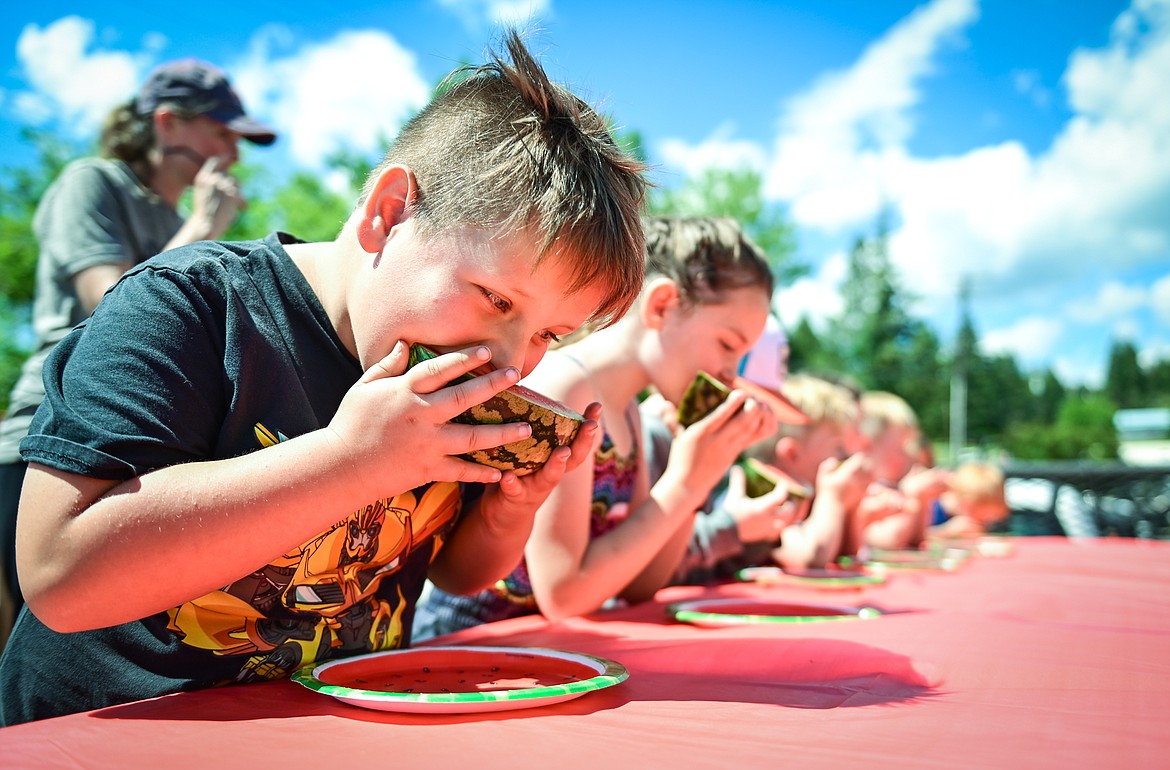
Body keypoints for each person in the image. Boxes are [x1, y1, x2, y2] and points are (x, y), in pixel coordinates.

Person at [0, 30, 647, 726]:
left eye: (549, 333)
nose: (515, 360)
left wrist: (509, 508)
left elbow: (455, 574)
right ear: (388, 213)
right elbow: (59, 576)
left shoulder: (440, 386)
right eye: (496, 300)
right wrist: (349, 463)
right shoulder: (190, 307)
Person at [0, 58, 277, 627]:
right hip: (50, 434)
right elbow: (112, 309)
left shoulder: (171, 215)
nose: (232, 154)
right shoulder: (93, 183)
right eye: (221, 132)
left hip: (141, 433)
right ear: (168, 123)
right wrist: (202, 229)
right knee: (39, 627)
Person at [413, 216, 777, 639]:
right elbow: (564, 595)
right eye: (727, 346)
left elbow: (644, 582)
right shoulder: (568, 390)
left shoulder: (632, 417)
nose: (731, 374)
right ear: (661, 305)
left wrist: (698, 480)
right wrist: (683, 482)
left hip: (536, 652)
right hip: (464, 643)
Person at [854, 390, 950, 551]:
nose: (910, 456)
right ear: (867, 445)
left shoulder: (890, 488)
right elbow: (887, 540)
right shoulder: (863, 491)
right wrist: (911, 497)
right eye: (901, 447)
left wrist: (923, 499)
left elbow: (916, 539)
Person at [928, 461, 1009, 539]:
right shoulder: (933, 509)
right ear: (966, 504)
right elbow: (918, 535)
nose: (985, 522)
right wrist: (945, 531)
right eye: (981, 518)